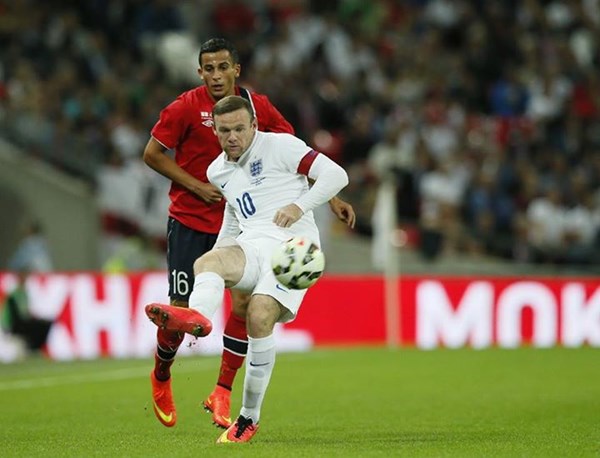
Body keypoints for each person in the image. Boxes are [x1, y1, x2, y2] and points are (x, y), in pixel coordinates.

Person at [142, 38, 355, 429]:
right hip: (191, 219)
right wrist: (196, 186)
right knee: (180, 311)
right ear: (200, 73)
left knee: (244, 307)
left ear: (236, 70)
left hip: (243, 224)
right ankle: (161, 374)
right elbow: (152, 154)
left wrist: (330, 197)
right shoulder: (184, 108)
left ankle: (222, 391)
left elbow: (296, 156)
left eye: (223, 67)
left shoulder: (258, 107)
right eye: (209, 69)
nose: (216, 75)